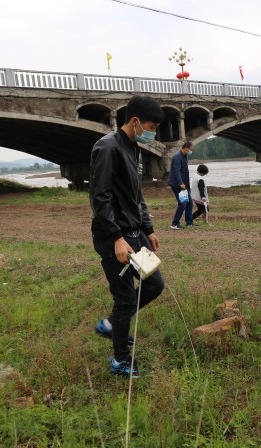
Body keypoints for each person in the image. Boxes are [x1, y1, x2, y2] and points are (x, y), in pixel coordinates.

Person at [89, 95, 165, 377]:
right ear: (135, 122)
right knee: (124, 299)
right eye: (151, 127)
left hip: (135, 234)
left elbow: (136, 195)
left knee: (154, 284)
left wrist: (148, 228)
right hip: (114, 238)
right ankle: (120, 360)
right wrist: (116, 238)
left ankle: (112, 325)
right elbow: (101, 197)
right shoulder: (107, 148)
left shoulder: (134, 148)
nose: (153, 133)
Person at [168, 141, 195, 229]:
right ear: (186, 148)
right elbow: (176, 172)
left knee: (189, 203)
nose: (191, 151)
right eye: (191, 149)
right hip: (178, 185)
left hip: (184, 185)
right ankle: (175, 224)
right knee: (183, 203)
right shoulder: (177, 157)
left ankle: (189, 223)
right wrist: (181, 183)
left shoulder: (184, 156)